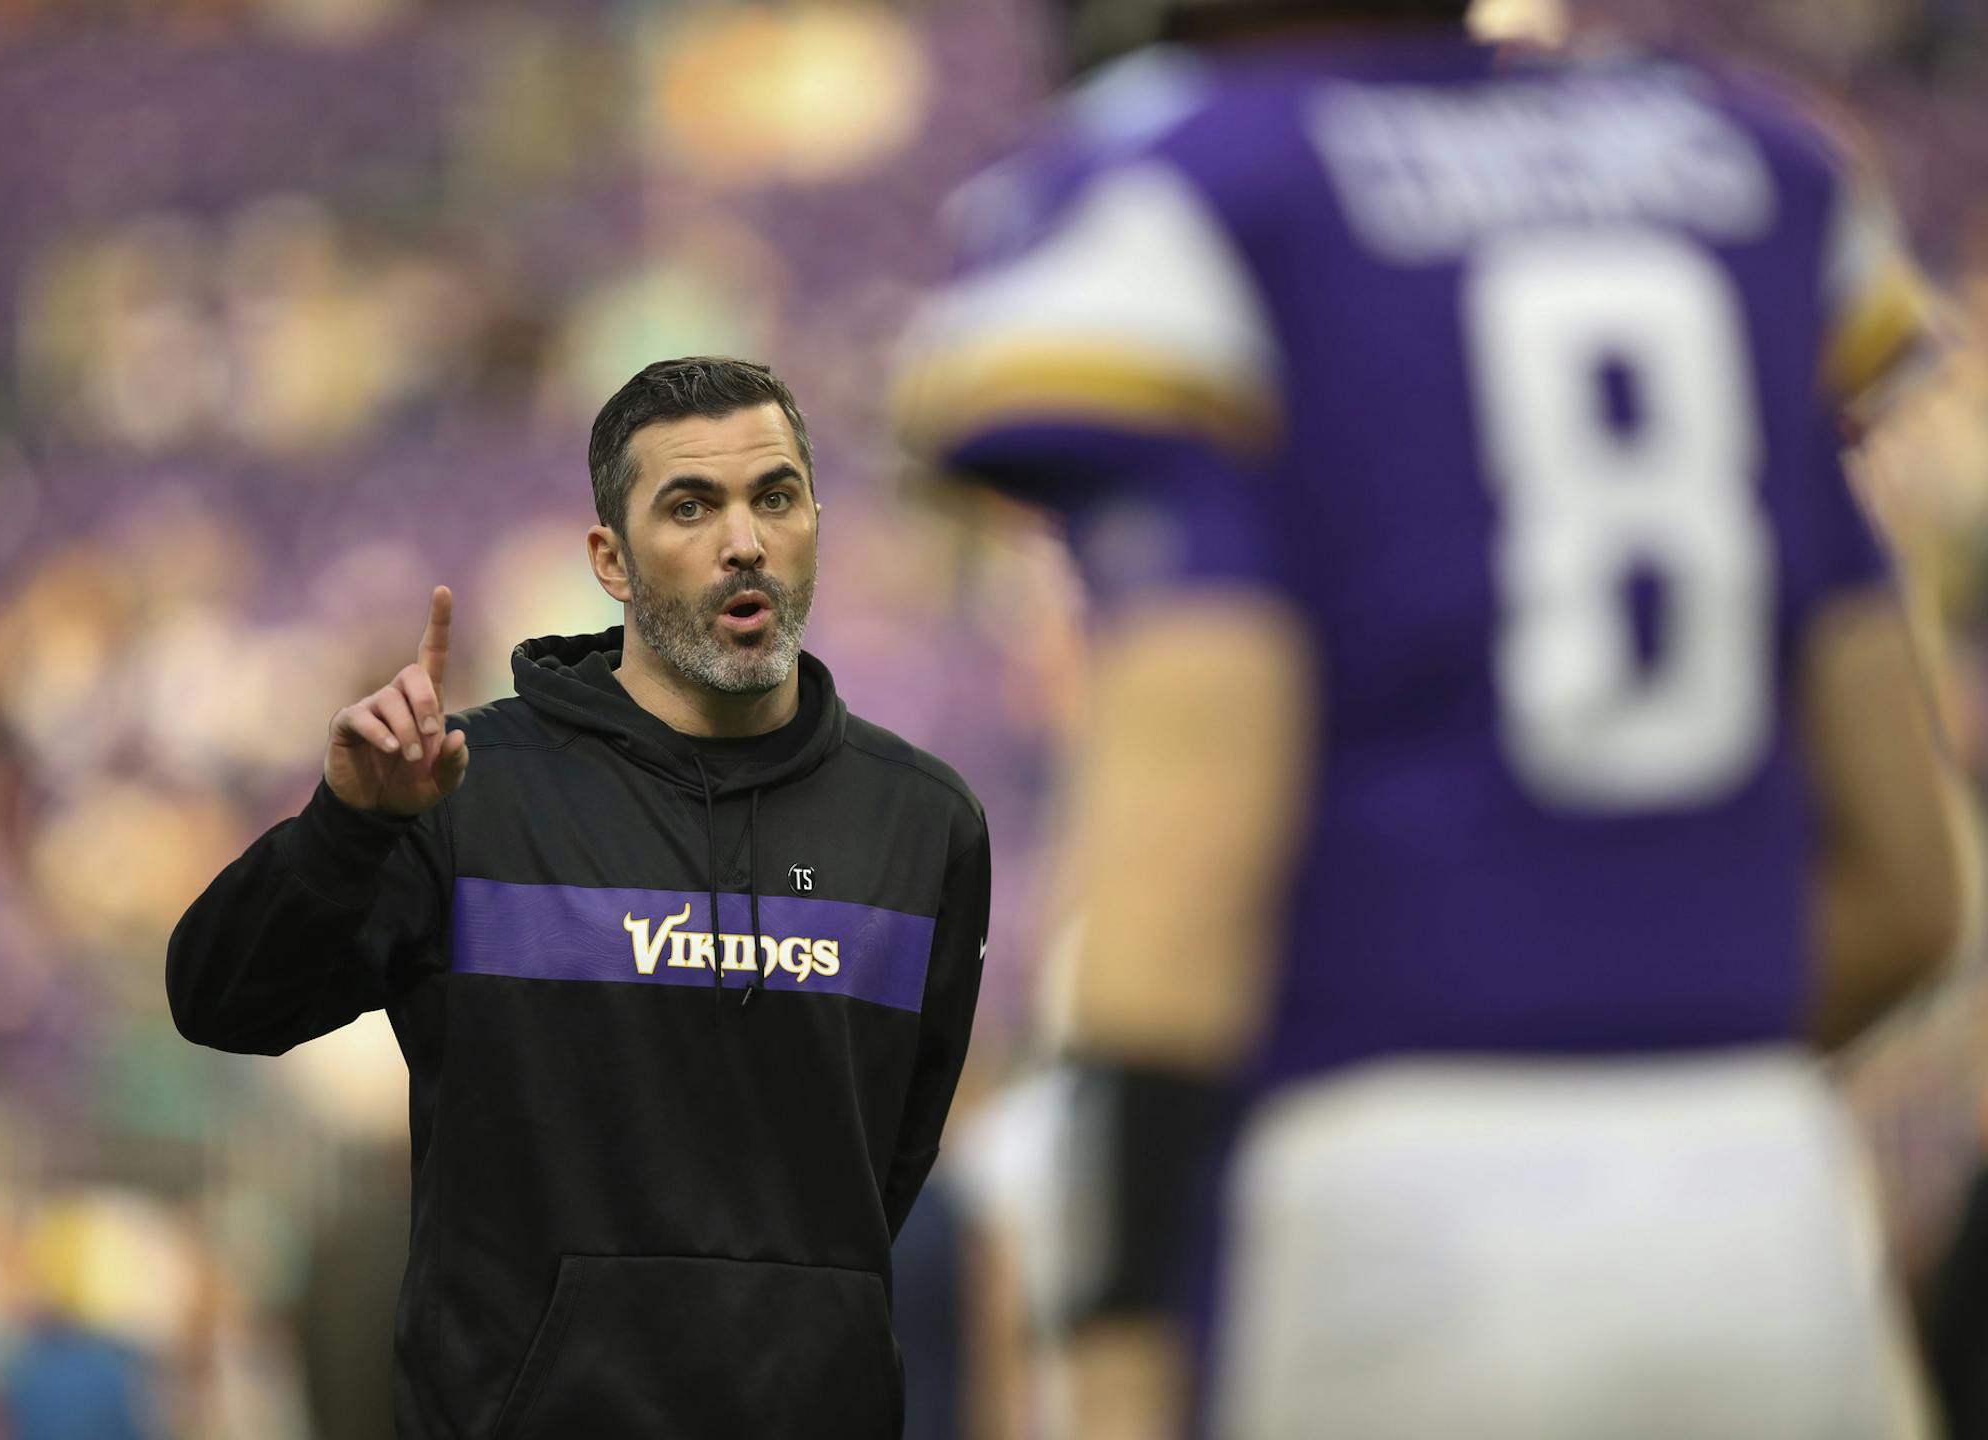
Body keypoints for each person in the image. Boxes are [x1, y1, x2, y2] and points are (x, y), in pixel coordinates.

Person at [897, 3, 1971, 1437]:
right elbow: (1911, 891)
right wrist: (1644, 1072)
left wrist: (1115, 1341)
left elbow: (1183, 882)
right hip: (1769, 1206)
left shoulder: (1190, 186)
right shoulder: (1753, 162)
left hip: (1378, 1221)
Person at [169, 356, 990, 1440]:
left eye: (775, 498)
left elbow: (888, 1165)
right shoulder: (466, 792)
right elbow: (222, 999)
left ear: (815, 526)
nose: (743, 541)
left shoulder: (924, 826)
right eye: (690, 506)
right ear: (610, 558)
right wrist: (350, 826)